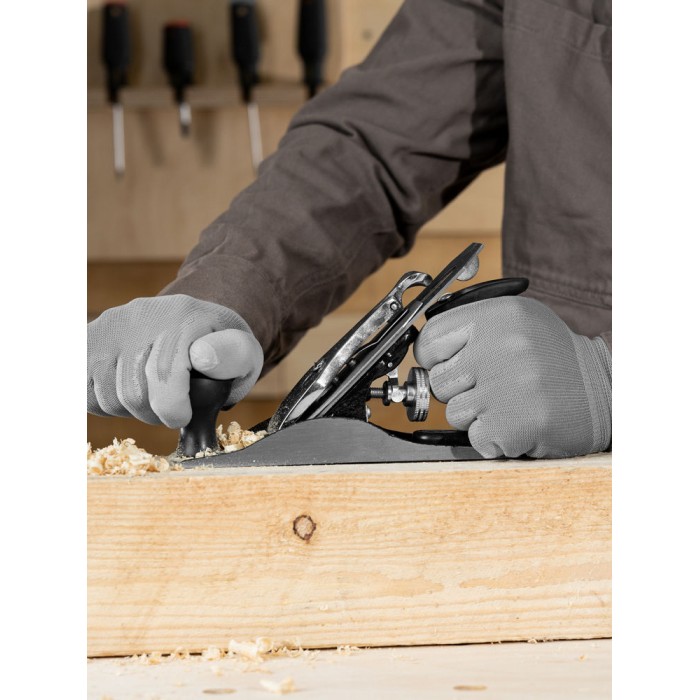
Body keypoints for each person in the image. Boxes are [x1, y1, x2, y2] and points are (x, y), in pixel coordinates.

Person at [87, 0, 611, 459]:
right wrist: (226, 292)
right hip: (535, 469)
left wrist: (609, 381)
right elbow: (374, 144)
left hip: (555, 412)